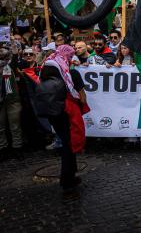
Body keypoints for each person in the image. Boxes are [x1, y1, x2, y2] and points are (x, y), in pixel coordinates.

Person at [39, 45, 89, 198]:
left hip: (53, 112)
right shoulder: (71, 73)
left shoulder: (45, 72)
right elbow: (82, 96)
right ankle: (67, 181)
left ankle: (71, 175)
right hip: (68, 112)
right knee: (69, 145)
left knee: (66, 142)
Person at [0, 48, 23, 158]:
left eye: (5, 55)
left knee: (15, 126)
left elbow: (14, 53)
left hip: (13, 100)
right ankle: (2, 148)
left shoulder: (11, 66)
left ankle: (17, 148)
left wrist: (12, 40)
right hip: (0, 101)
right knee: (0, 127)